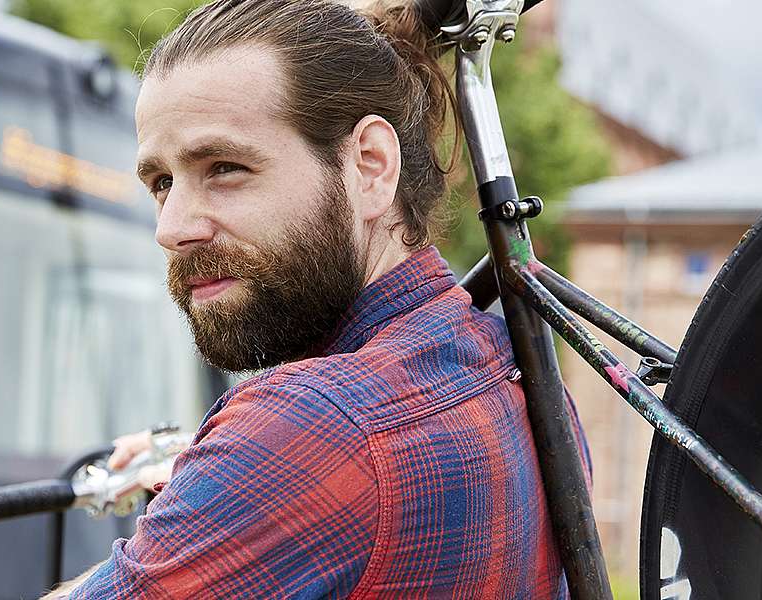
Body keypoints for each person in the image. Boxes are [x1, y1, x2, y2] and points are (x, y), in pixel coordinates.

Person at [48, 0, 588, 597]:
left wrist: (223, 481)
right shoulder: (517, 369)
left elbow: (317, 453)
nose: (171, 227)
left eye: (225, 167)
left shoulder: (309, 429)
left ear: (370, 167)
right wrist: (199, 480)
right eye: (161, 183)